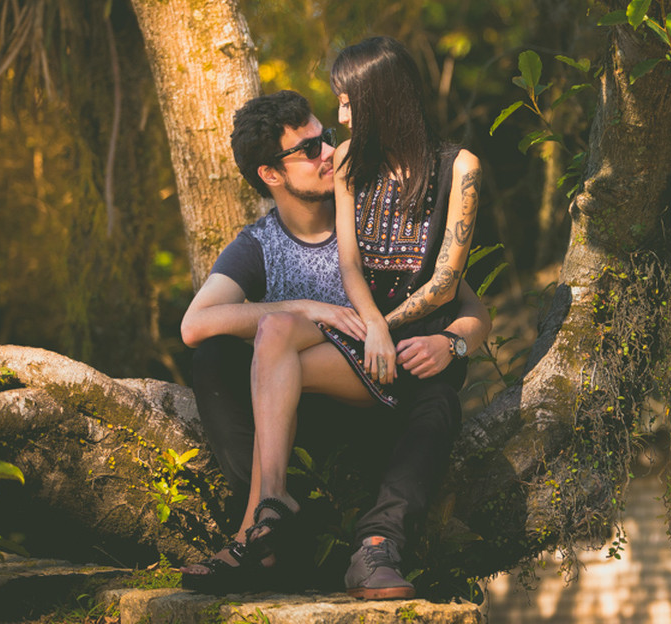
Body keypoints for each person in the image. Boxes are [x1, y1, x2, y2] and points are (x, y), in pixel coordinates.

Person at [178, 87, 487, 599]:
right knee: (215, 355)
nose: (329, 152)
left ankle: (374, 542)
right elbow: (195, 324)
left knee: (438, 397)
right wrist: (307, 308)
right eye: (309, 149)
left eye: (326, 137)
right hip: (293, 427)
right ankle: (265, 525)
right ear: (271, 175)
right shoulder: (259, 246)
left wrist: (450, 343)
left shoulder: (373, 216)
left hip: (380, 411)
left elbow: (470, 307)